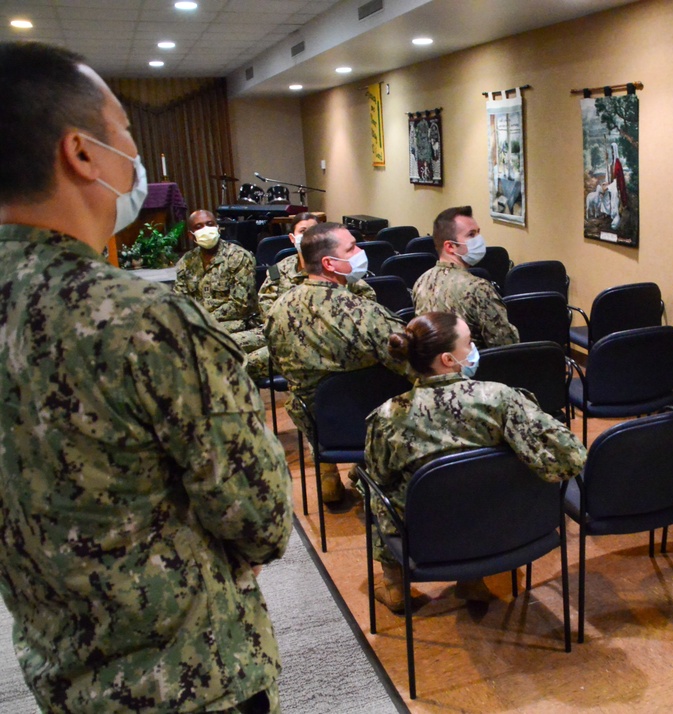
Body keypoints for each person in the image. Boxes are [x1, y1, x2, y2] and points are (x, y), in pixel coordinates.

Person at [0, 41, 292, 712]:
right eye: (126, 133)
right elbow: (262, 518)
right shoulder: (142, 320)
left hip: (62, 673)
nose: (133, 155)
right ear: (81, 153)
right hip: (189, 678)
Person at [364, 312, 587, 613]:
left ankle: (394, 586)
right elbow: (570, 457)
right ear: (447, 359)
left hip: (428, 539)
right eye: (469, 343)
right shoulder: (499, 399)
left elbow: (379, 475)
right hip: (505, 527)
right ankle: (472, 580)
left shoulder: (387, 417)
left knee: (373, 488)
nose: (474, 349)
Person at [266, 221, 408, 504]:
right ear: (330, 263)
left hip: (318, 424)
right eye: (352, 247)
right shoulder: (365, 313)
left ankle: (335, 475)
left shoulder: (278, 309)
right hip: (373, 423)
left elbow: (281, 367)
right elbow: (414, 364)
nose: (359, 252)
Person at [173, 209, 268, 380]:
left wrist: (204, 321)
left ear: (218, 228)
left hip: (240, 325)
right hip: (200, 327)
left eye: (210, 224)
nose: (206, 229)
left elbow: (241, 305)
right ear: (191, 235)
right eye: (199, 226)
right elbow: (180, 302)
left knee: (208, 350)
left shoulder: (239, 256)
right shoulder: (186, 263)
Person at [412, 206, 519, 348]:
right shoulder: (477, 288)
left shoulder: (421, 282)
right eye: (471, 235)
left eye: (478, 233)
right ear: (450, 246)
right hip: (475, 368)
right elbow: (506, 344)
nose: (479, 240)